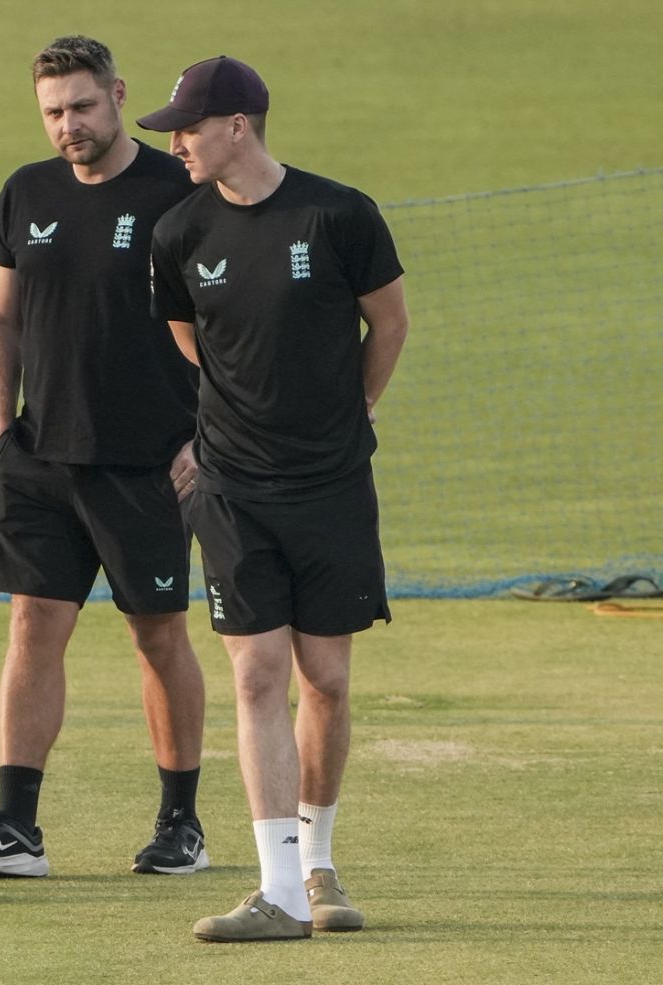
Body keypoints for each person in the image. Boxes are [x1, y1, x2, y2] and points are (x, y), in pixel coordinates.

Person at [139, 56, 410, 940]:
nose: (175, 142)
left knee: (324, 676)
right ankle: (279, 889)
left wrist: (353, 411)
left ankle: (319, 861)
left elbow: (391, 321)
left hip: (332, 484)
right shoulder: (179, 232)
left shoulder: (339, 214)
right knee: (256, 671)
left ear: (239, 125)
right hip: (231, 487)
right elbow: (193, 341)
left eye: (187, 126)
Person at [0, 36, 208, 880]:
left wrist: (208, 436)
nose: (68, 125)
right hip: (41, 460)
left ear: (119, 95)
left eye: (83, 106)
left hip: (151, 464)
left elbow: (230, 322)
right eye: (53, 111)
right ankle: (17, 827)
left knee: (157, 634)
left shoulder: (178, 193)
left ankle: (181, 826)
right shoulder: (26, 192)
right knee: (32, 626)